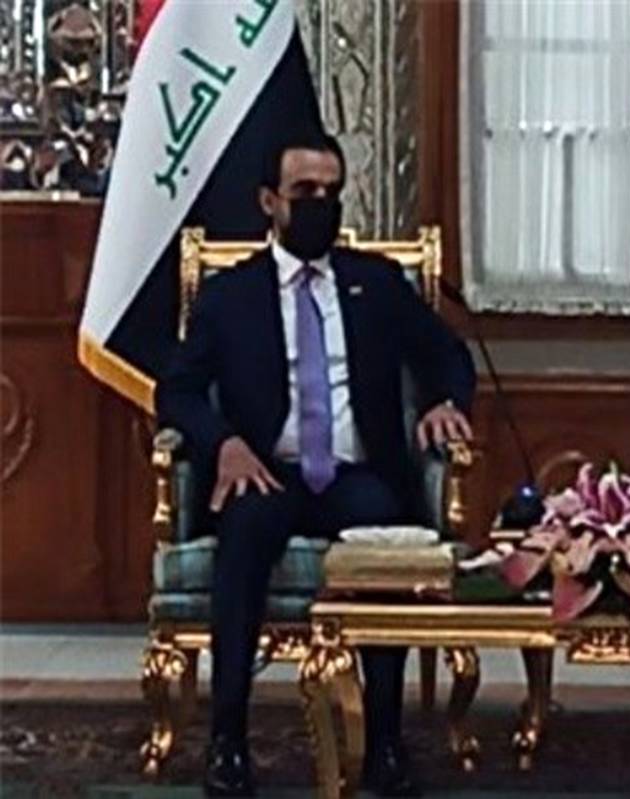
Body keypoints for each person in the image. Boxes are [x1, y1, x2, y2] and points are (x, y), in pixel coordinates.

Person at [156, 130, 475, 797]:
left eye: (331, 192)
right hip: (266, 470)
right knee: (244, 534)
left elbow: (447, 353)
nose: (320, 205)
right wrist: (224, 442)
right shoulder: (230, 295)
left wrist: (444, 402)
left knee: (384, 536)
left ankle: (385, 742)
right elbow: (176, 391)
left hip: (356, 476)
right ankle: (227, 740)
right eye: (304, 192)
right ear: (269, 201)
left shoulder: (375, 283)